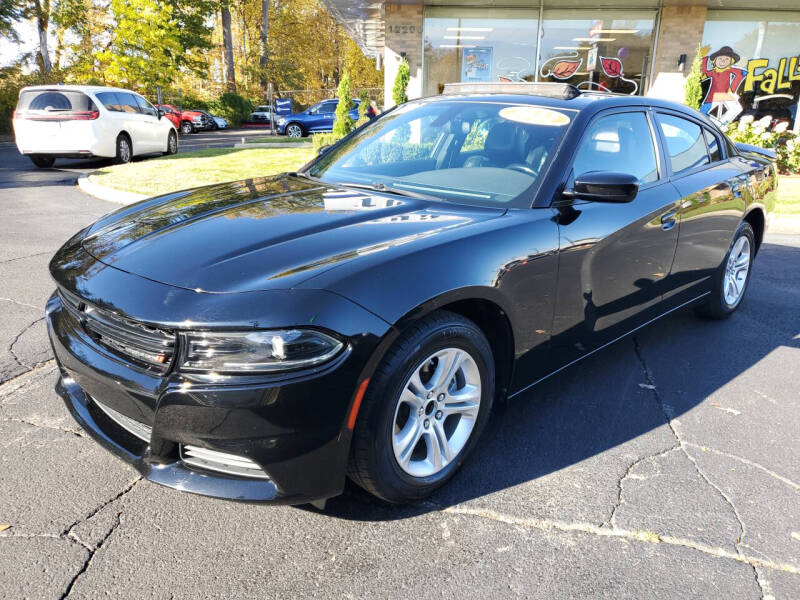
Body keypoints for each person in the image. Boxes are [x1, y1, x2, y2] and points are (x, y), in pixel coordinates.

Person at [700, 46, 747, 122]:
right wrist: (704, 58)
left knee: (714, 122)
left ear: (731, 62)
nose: (723, 61)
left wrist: (739, 66)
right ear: (715, 60)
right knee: (701, 118)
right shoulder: (713, 72)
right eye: (720, 58)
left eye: (727, 59)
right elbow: (705, 72)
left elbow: (740, 74)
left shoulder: (730, 71)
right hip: (709, 100)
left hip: (721, 102)